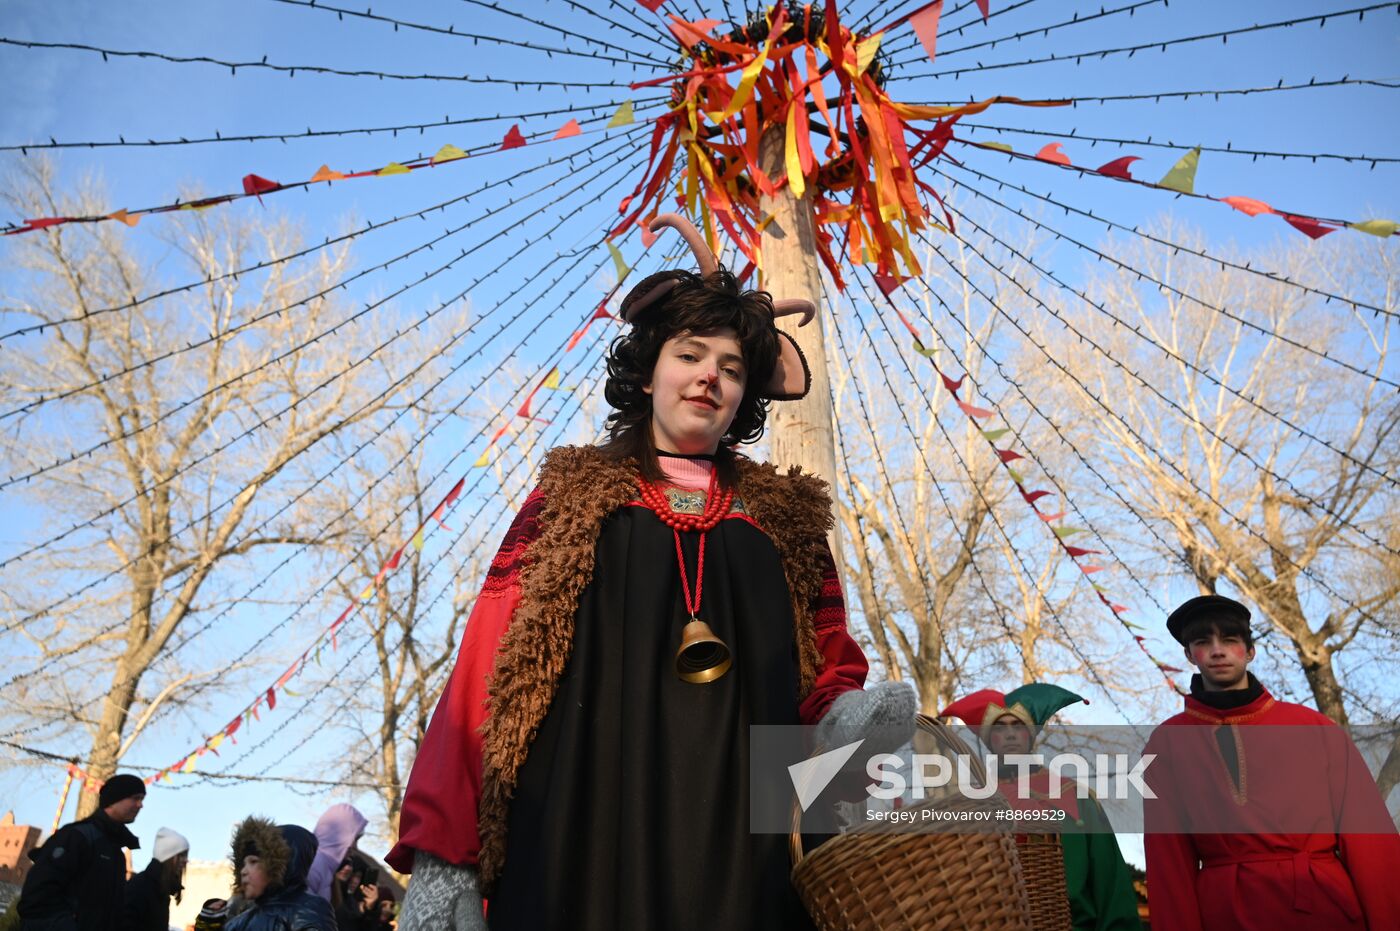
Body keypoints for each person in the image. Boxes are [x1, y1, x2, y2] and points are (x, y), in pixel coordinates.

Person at [389, 213, 916, 930]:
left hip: (749, 855)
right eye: (691, 354)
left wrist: (846, 722)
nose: (710, 377)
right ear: (646, 373)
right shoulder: (568, 499)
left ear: (747, 395)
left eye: (731, 368)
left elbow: (824, 678)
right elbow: (485, 678)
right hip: (577, 835)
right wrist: (446, 854)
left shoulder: (788, 521)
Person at [1143, 594, 1400, 930]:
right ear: (1190, 654)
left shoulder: (1314, 728)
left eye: (1230, 640)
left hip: (1322, 908)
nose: (1218, 651)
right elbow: (1168, 861)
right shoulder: (1166, 743)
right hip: (1224, 914)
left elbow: (1370, 841)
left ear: (1250, 651)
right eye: (1203, 642)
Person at [942, 684, 1143, 931]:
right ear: (988, 740)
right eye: (1000, 728)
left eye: (1018, 726)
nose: (1011, 734)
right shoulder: (973, 805)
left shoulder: (1077, 798)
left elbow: (1110, 883)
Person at [18, 773, 145, 931]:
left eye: (142, 799)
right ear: (115, 798)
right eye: (135, 798)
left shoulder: (116, 853)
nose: (140, 805)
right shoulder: (77, 837)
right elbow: (38, 895)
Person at [225, 817, 335, 931]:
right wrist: (209, 921)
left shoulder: (307, 909)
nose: (243, 871)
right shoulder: (239, 922)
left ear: (278, 866)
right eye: (243, 864)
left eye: (253, 862)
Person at [120, 826, 188, 931]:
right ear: (168, 856)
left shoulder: (161, 889)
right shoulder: (140, 886)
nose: (185, 861)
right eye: (181, 855)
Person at [305, 804, 367, 902]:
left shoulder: (324, 867)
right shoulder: (315, 865)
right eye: (354, 839)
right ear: (340, 834)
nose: (355, 847)